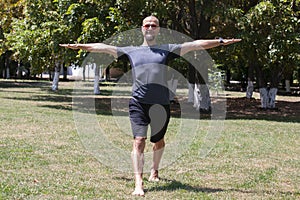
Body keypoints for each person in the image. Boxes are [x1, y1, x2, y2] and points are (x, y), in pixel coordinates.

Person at [60, 15, 241, 196]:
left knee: (158, 141)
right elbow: (103, 47)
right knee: (138, 141)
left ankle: (154, 170)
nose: (150, 27)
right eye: (147, 25)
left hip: (161, 105)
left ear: (158, 30)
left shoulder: (167, 50)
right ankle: (138, 183)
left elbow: (195, 44)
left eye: (153, 25)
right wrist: (80, 46)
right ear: (142, 28)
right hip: (138, 102)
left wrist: (220, 41)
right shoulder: (130, 51)